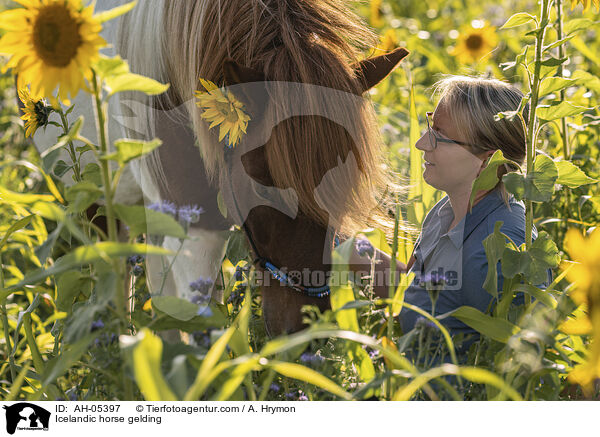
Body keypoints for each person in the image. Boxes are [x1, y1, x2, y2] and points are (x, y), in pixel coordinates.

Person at [350, 75, 540, 342]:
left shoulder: (500, 247)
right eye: (431, 126)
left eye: (439, 136)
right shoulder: (447, 211)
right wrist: (346, 246)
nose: (421, 143)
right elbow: (427, 294)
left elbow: (522, 357)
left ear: (488, 160)